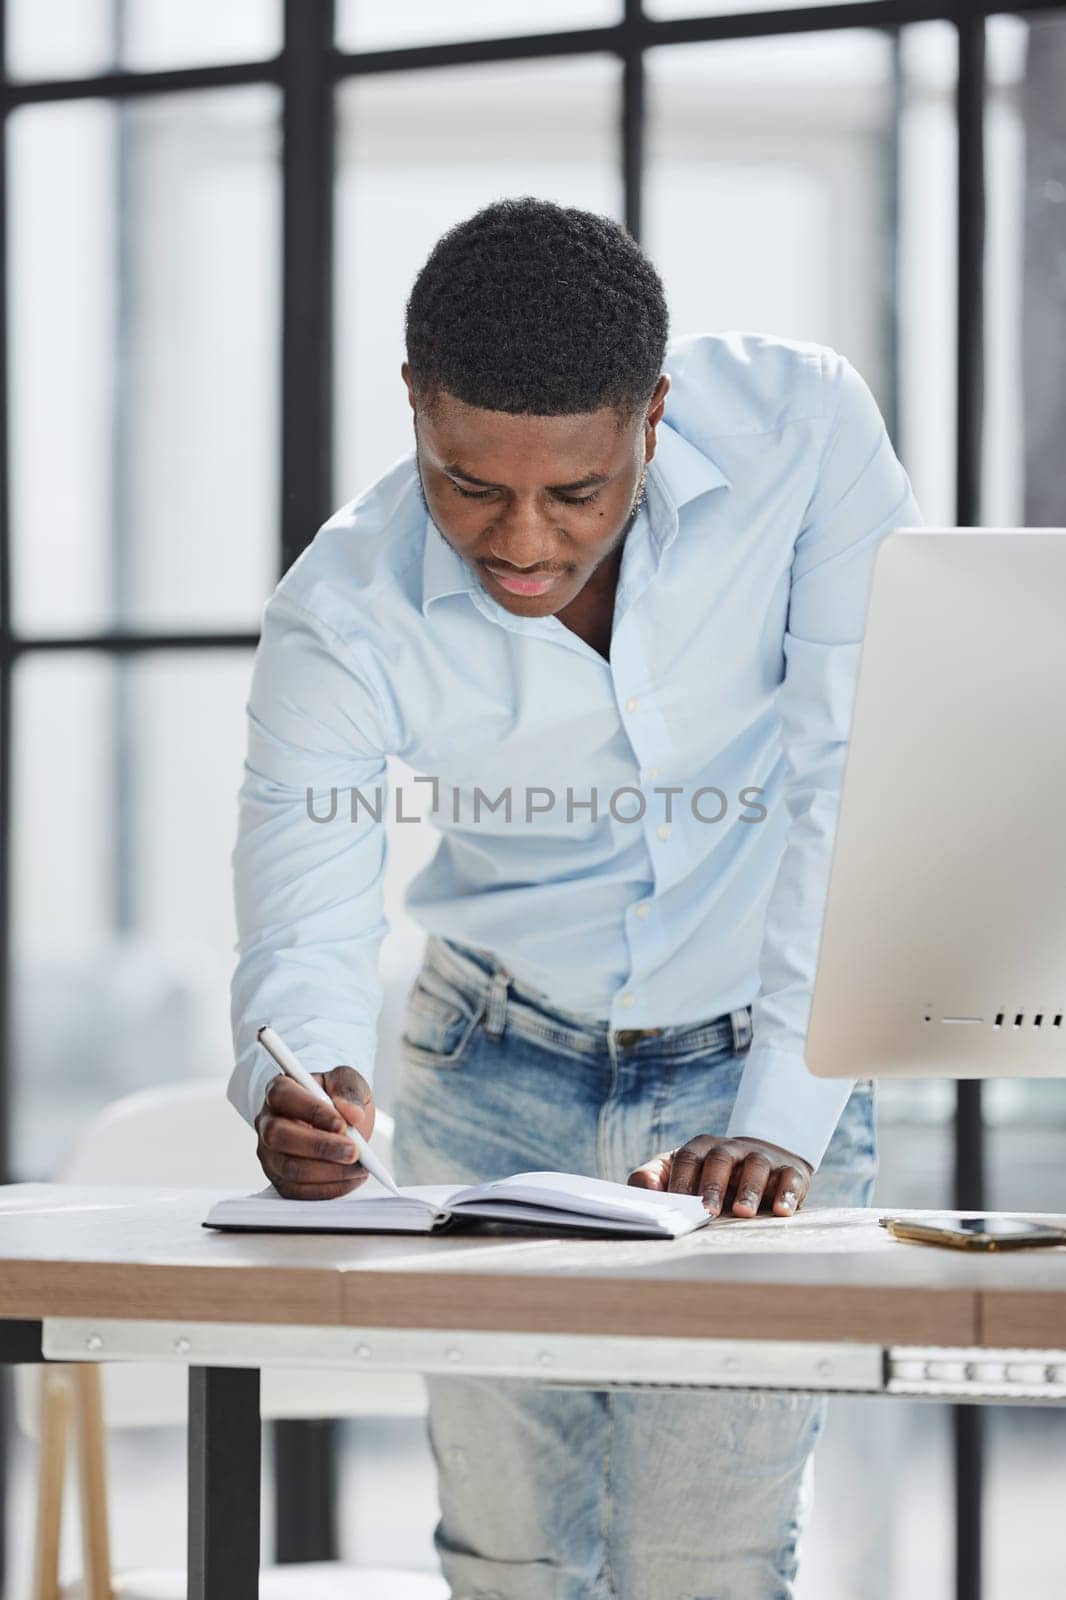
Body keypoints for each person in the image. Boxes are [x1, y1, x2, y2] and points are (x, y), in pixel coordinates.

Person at [229, 196, 919, 1598]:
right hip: (491, 1071)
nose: (524, 544)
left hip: (757, 1057)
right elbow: (306, 917)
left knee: (704, 1563)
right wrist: (297, 1084)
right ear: (416, 405)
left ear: (652, 416)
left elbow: (852, 782)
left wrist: (775, 1126)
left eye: (576, 493)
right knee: (512, 1561)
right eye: (469, 485)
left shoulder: (802, 430)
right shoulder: (343, 609)